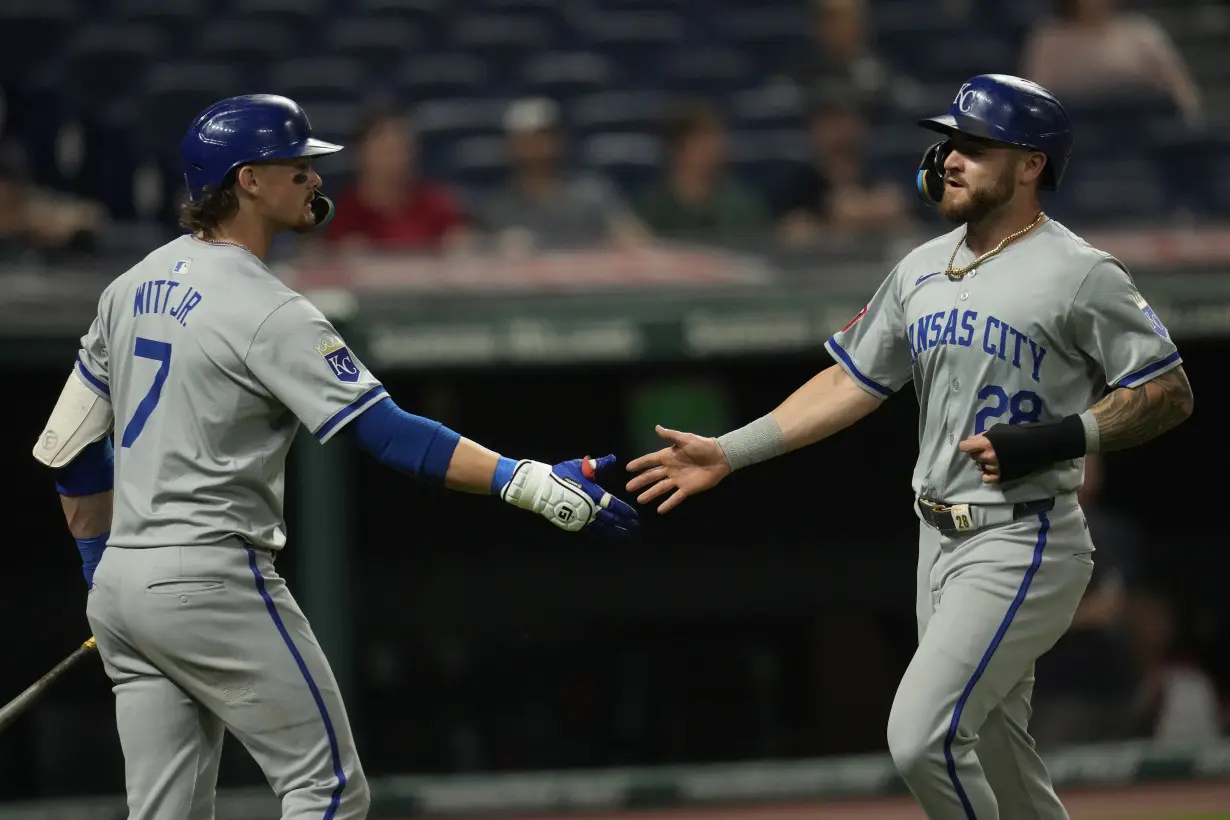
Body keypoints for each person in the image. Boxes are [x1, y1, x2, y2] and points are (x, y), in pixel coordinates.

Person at [31, 94, 637, 820]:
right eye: (297, 167)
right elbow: (388, 434)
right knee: (327, 791)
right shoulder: (271, 310)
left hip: (128, 582)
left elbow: (67, 450)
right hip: (211, 578)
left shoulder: (126, 289)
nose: (316, 180)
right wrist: (527, 482)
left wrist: (103, 573)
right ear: (247, 180)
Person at [626, 74, 1194, 819]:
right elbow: (849, 382)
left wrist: (1067, 435)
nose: (952, 157)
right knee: (995, 745)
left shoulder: (1080, 272)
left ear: (1031, 166)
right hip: (938, 538)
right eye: (951, 141)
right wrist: (731, 451)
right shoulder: (921, 266)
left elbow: (1168, 391)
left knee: (921, 739)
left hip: (1024, 536)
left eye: (976, 145)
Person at [478, 97, 647, 251]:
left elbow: (633, 238)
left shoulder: (593, 193)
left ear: (558, 140)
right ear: (510, 146)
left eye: (542, 137)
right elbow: (478, 251)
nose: (534, 147)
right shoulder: (497, 206)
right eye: (524, 140)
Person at [1021, 0, 1201, 125]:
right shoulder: (1049, 38)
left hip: (1143, 135)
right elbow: (1036, 101)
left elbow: (1181, 91)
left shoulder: (1143, 33)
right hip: (1080, 144)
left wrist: (1190, 119)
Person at [320, 109, 469, 252]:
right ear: (360, 154)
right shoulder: (340, 214)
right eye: (386, 151)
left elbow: (463, 243)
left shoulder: (437, 206)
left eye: (403, 149)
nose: (397, 160)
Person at [635, 99, 770, 241]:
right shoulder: (651, 208)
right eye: (703, 140)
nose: (715, 147)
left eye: (716, 139)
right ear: (678, 148)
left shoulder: (740, 204)